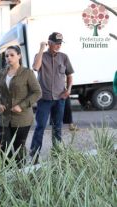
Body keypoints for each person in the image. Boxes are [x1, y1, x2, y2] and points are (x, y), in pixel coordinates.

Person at [30, 32, 74, 160]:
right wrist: (41, 48)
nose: (58, 45)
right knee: (40, 127)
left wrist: (69, 89)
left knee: (57, 127)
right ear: (49, 43)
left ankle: (57, 154)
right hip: (44, 99)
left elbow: (69, 75)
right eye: (56, 43)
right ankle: (34, 155)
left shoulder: (64, 57)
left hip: (60, 99)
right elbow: (35, 67)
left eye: (60, 43)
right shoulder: (40, 56)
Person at [0, 45, 42, 165]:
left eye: (12, 55)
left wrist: (21, 105)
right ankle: (7, 174)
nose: (9, 58)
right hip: (4, 118)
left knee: (18, 148)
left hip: (22, 118)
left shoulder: (27, 73)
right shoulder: (1, 74)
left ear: (19, 56)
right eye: (6, 56)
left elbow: (37, 92)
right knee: (3, 148)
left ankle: (20, 174)